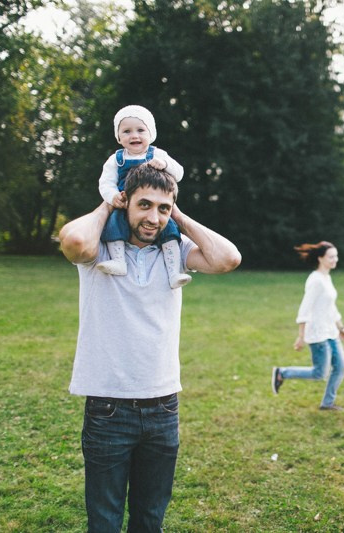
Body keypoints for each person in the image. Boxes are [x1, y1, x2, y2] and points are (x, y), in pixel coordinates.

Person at [59, 164, 241, 532]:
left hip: (163, 407)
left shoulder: (174, 251)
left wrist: (179, 216)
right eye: (144, 205)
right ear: (126, 203)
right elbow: (75, 242)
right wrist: (109, 205)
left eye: (162, 208)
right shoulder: (100, 252)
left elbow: (228, 259)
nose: (153, 217)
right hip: (108, 409)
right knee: (105, 521)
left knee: (149, 519)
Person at [97, 104, 192, 289]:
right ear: (118, 137)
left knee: (170, 231)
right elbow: (105, 182)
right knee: (114, 225)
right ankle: (119, 261)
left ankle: (174, 272)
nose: (134, 135)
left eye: (140, 130)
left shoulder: (156, 153)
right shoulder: (116, 159)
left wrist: (164, 164)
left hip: (154, 203)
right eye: (126, 131)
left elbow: (179, 172)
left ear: (151, 133)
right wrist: (113, 196)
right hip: (125, 204)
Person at [271, 241, 344, 411]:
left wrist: (340, 326)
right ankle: (282, 373)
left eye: (336, 256)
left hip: (330, 331)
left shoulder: (326, 277)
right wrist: (301, 335)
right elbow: (305, 309)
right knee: (319, 373)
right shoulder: (315, 280)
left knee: (341, 367)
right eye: (331, 257)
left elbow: (330, 306)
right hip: (318, 333)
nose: (335, 259)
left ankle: (327, 403)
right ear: (320, 258)